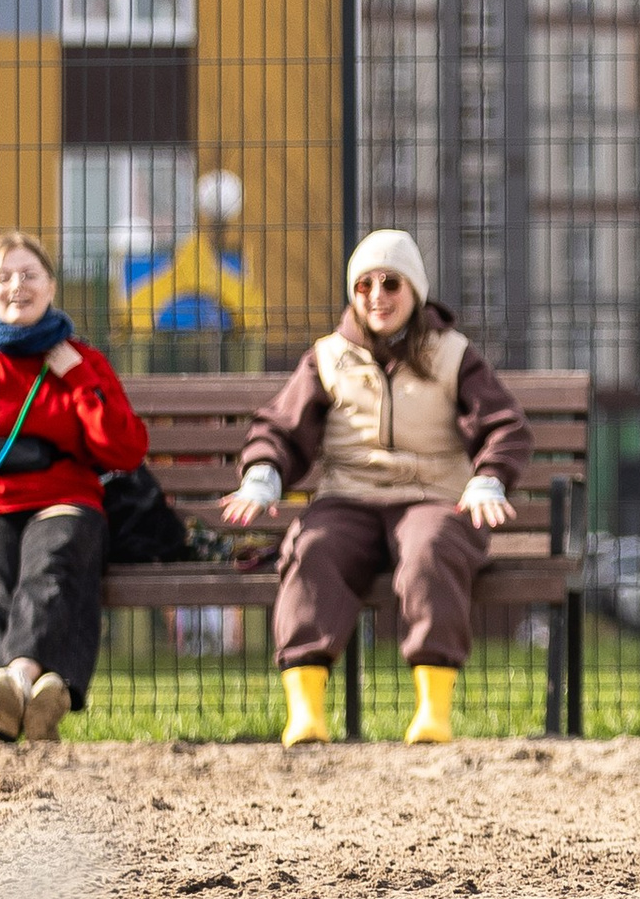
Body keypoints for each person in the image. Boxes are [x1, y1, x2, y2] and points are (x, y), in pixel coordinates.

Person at [221, 228, 530, 747]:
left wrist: (489, 478)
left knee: (431, 549)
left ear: (415, 290)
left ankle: (433, 711)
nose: (377, 297)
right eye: (363, 285)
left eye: (391, 283)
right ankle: (307, 712)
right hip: (350, 497)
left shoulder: (453, 354)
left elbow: (504, 425)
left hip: (433, 495)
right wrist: (263, 473)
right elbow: (280, 427)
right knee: (311, 548)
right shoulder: (327, 356)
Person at [0, 231, 148, 742]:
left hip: (64, 500)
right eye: (4, 277)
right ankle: (40, 695)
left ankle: (11, 693)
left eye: (29, 275)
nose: (17, 286)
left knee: (51, 566)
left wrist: (80, 379)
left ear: (51, 286)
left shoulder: (83, 361)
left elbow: (124, 450)